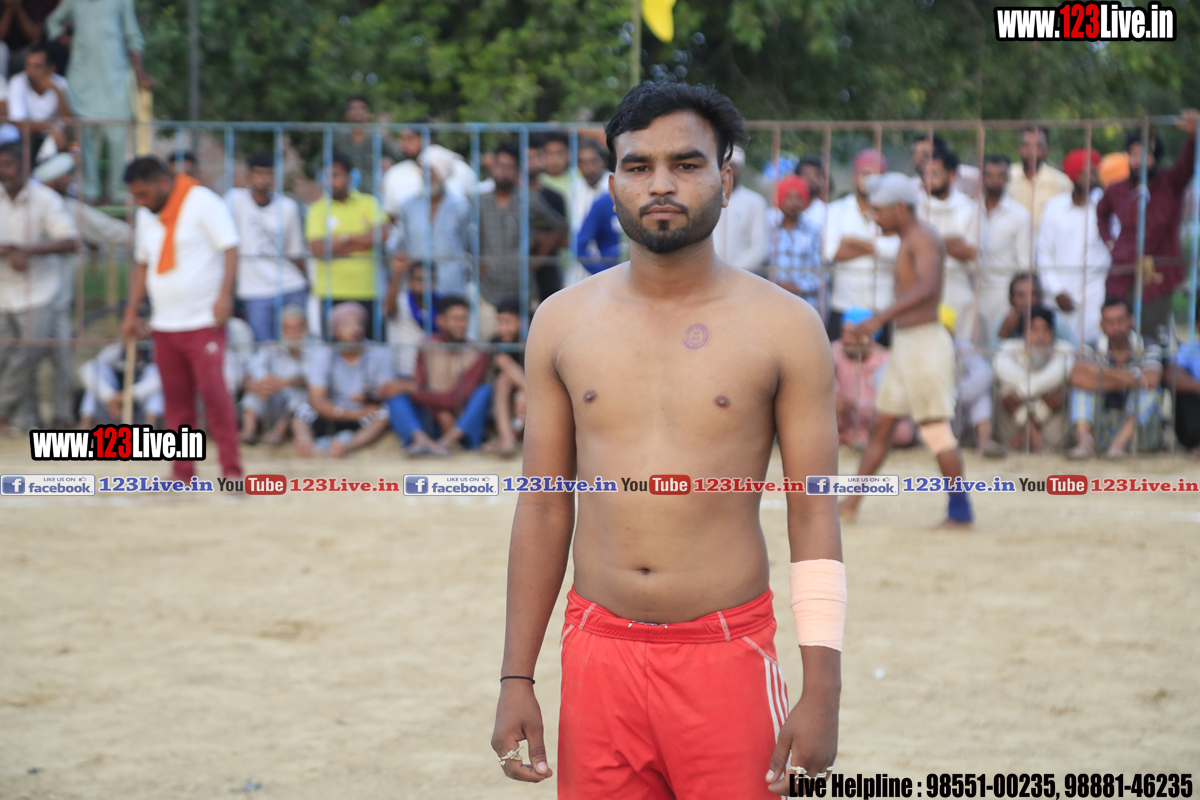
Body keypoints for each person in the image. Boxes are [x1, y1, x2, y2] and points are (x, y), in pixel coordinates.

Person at [492, 83, 843, 799]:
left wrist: (823, 688)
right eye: (638, 165)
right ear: (612, 185)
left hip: (727, 652)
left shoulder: (784, 326)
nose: (660, 184)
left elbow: (812, 511)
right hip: (598, 654)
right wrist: (516, 676)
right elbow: (545, 505)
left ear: (726, 179)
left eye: (686, 164)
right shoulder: (561, 322)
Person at [839, 172, 973, 527]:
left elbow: (927, 288)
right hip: (909, 343)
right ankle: (850, 504)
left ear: (900, 207)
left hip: (925, 343)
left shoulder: (923, 237)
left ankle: (960, 512)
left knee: (935, 430)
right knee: (881, 427)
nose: (875, 218)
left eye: (879, 211)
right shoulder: (912, 238)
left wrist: (879, 318)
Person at [120, 156, 242, 480]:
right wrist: (131, 311)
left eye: (143, 194)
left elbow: (230, 247)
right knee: (175, 401)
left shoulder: (203, 201)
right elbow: (142, 264)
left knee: (215, 396)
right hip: (164, 323)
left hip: (203, 320)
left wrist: (225, 296)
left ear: (162, 182)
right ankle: (182, 471)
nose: (140, 202)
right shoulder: (147, 215)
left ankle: (231, 470)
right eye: (135, 196)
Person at [34, 152, 130, 426]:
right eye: (68, 176)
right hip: (27, 300)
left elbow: (109, 231)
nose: (72, 181)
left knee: (61, 358)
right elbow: (111, 231)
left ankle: (61, 416)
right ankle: (23, 416)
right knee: (24, 357)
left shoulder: (63, 206)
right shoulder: (58, 206)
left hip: (56, 300)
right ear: (55, 181)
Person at [1097, 111, 1199, 338]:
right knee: (1116, 332)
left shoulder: (1170, 183)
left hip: (1157, 274)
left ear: (1155, 157)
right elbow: (1101, 211)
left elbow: (1187, 164)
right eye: (1133, 154)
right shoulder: (1117, 189)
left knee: (1152, 337)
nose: (1138, 160)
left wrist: (1194, 136)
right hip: (1122, 272)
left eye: (1145, 154)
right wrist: (1109, 242)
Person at [0, 141, 79, 431]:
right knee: (8, 358)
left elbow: (70, 240)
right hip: (4, 294)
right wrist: (8, 251)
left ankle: (7, 410)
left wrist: (28, 252)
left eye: (8, 164)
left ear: (24, 168)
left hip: (42, 293)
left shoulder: (46, 199)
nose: (3, 171)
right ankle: (25, 421)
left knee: (32, 354)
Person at [47, 0, 152, 204]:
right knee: (85, 139)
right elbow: (53, 21)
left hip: (114, 79)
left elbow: (133, 37)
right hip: (83, 79)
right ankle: (89, 193)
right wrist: (65, 39)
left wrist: (139, 73)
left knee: (117, 138)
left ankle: (120, 193)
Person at [478, 141, 567, 337]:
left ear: (517, 171)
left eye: (509, 167)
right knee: (488, 349)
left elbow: (561, 229)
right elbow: (469, 237)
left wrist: (540, 255)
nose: (502, 171)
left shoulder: (529, 200)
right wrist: (479, 263)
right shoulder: (480, 202)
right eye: (499, 165)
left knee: (528, 348)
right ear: (492, 167)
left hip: (523, 291)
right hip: (489, 292)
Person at [294, 301, 403, 458]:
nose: (355, 329)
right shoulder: (323, 355)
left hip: (363, 413)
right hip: (332, 412)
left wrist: (369, 397)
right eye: (347, 325)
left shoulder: (379, 353)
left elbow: (387, 392)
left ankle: (345, 447)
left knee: (383, 414)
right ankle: (307, 444)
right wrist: (351, 414)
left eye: (359, 323)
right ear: (335, 330)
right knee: (302, 411)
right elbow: (317, 400)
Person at [386, 294, 491, 456]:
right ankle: (421, 440)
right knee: (395, 394)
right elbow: (419, 387)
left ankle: (446, 443)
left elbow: (458, 397)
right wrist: (440, 413)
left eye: (464, 319)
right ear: (440, 321)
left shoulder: (477, 353)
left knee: (485, 390)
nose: (462, 324)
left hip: (459, 420)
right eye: (456, 319)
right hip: (430, 418)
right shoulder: (427, 346)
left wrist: (413, 389)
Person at [305, 151, 388, 339]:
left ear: (349, 177)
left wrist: (342, 239)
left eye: (336, 175)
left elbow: (381, 235)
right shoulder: (317, 209)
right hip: (332, 292)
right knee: (334, 350)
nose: (330, 181)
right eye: (326, 176)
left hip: (368, 291)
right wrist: (363, 242)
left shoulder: (369, 202)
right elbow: (318, 249)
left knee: (374, 346)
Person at [1067, 297, 1163, 459]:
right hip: (1101, 427)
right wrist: (1134, 377)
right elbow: (1078, 377)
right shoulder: (1091, 347)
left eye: (1120, 320)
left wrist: (1099, 375)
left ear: (1131, 320)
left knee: (1151, 391)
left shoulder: (1148, 345)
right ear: (1101, 324)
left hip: (1137, 435)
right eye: (1110, 322)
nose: (1116, 327)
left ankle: (1120, 444)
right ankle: (1084, 443)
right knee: (1082, 389)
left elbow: (1152, 379)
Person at [227, 152, 308, 342]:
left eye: (269, 174)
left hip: (290, 285)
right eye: (258, 173)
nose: (263, 179)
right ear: (248, 176)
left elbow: (295, 252)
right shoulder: (234, 201)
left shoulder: (287, 207)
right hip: (254, 290)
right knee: (264, 347)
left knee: (295, 344)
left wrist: (308, 281)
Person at [822, 148, 899, 340]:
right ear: (854, 177)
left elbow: (896, 251)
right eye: (865, 174)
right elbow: (831, 252)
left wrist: (853, 241)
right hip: (844, 305)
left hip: (882, 308)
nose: (870, 180)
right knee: (838, 357)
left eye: (876, 175)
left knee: (882, 359)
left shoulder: (894, 212)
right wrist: (877, 246)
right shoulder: (836, 210)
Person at [1037, 148, 1110, 347]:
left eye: (1093, 172)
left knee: (1095, 347)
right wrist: (1056, 290)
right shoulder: (1054, 207)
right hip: (1059, 294)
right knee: (1061, 347)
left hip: (1096, 292)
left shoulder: (1106, 207)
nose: (1090, 177)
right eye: (1084, 172)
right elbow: (1044, 252)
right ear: (1072, 175)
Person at [918, 147, 981, 345]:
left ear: (952, 175)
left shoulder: (968, 207)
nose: (928, 180)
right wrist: (952, 242)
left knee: (959, 348)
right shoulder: (915, 206)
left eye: (935, 174)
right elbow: (912, 247)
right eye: (925, 174)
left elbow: (970, 251)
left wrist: (930, 242)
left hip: (957, 285)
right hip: (921, 285)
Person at [994, 305, 1074, 453]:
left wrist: (1022, 392)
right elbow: (1001, 369)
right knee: (1005, 391)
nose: (1040, 336)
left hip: (1051, 434)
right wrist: (1037, 391)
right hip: (1011, 424)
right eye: (1034, 329)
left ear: (1053, 333)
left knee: (1058, 393)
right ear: (1024, 332)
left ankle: (1024, 435)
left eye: (1046, 330)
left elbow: (1058, 377)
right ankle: (1032, 436)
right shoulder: (1009, 348)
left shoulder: (1063, 349)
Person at [832, 305, 914, 449]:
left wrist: (865, 409)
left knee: (903, 432)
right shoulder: (834, 352)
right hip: (844, 419)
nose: (846, 340)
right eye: (843, 332)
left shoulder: (885, 358)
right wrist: (839, 403)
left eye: (852, 334)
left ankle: (862, 440)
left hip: (874, 419)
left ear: (868, 335)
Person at [941, 304, 1004, 459]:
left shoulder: (963, 347)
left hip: (959, 407)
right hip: (938, 414)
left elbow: (984, 374)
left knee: (981, 398)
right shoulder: (925, 352)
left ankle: (984, 443)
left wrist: (955, 394)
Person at [978, 154, 1032, 333]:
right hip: (974, 291)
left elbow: (1025, 264)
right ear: (981, 177)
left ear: (1007, 178)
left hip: (1003, 294)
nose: (994, 180)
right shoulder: (971, 210)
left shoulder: (1019, 215)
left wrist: (1017, 302)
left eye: (1000, 175)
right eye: (989, 175)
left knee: (996, 342)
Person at [381, 120, 479, 212]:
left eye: (410, 139)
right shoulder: (395, 173)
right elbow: (391, 214)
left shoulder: (460, 169)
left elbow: (475, 207)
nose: (403, 144)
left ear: (428, 139)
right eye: (402, 138)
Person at [6, 43, 72, 160]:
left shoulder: (61, 84)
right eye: (28, 65)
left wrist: (57, 91)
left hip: (53, 140)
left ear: (51, 69)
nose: (31, 71)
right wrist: (50, 128)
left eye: (37, 66)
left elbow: (68, 122)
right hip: (25, 138)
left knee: (66, 142)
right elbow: (18, 122)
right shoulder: (18, 81)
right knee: (10, 133)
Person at [766, 175, 823, 310]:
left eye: (799, 197)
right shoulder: (770, 231)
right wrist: (777, 286)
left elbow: (821, 272)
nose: (793, 203)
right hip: (774, 303)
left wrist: (798, 287)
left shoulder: (813, 231)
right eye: (788, 197)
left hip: (805, 304)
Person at [1006, 125, 1072, 239]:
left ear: (1048, 149)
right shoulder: (1006, 178)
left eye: (1038, 146)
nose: (1031, 151)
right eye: (1026, 145)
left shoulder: (1061, 183)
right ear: (1019, 148)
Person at [331, 96, 403, 195]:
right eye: (352, 109)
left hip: (372, 191)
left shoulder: (377, 137)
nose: (357, 112)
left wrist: (390, 167)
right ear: (346, 113)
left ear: (368, 113)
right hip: (345, 193)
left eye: (362, 108)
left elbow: (400, 155)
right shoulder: (339, 138)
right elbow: (320, 160)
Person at [987, 272, 1076, 352]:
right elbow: (992, 360)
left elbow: (1075, 352)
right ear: (1011, 300)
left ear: (1040, 297)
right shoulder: (1001, 323)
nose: (1027, 301)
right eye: (1020, 296)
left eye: (1033, 294)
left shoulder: (1056, 320)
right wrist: (1003, 333)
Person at [711, 145, 767, 270]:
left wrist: (732, 272)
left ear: (741, 169)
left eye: (733, 166)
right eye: (723, 165)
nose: (728, 171)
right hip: (704, 275)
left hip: (741, 275)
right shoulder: (705, 199)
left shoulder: (755, 202)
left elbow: (759, 248)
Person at [483, 295, 526, 456]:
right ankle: (507, 438)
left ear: (523, 321)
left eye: (507, 322)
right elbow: (501, 362)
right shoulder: (496, 340)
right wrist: (525, 389)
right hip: (510, 407)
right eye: (499, 322)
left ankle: (507, 439)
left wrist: (524, 392)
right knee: (503, 378)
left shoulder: (534, 337)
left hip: (532, 406)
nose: (502, 328)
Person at [384, 257, 438, 377]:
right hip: (402, 373)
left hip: (432, 375)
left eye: (430, 279)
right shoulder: (400, 301)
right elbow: (388, 309)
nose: (425, 284)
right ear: (409, 282)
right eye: (419, 279)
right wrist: (397, 273)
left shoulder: (442, 305)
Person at [1166, 309, 1200, 455]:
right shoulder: (1189, 350)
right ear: (1197, 325)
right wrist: (1197, 387)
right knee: (1183, 392)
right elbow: (1170, 374)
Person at [910, 132, 980, 197]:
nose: (918, 158)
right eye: (915, 153)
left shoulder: (969, 176)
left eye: (925, 154)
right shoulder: (913, 185)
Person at [574, 190, 622, 274]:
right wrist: (602, 273)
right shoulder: (603, 204)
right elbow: (580, 245)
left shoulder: (645, 204)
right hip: (613, 273)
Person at [794, 155, 829, 230]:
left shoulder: (827, 213)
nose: (811, 178)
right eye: (806, 174)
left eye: (816, 175)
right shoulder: (782, 212)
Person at [537, 130, 573, 199]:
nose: (554, 159)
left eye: (559, 153)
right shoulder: (536, 180)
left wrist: (570, 130)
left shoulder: (578, 176)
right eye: (549, 153)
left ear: (568, 154)